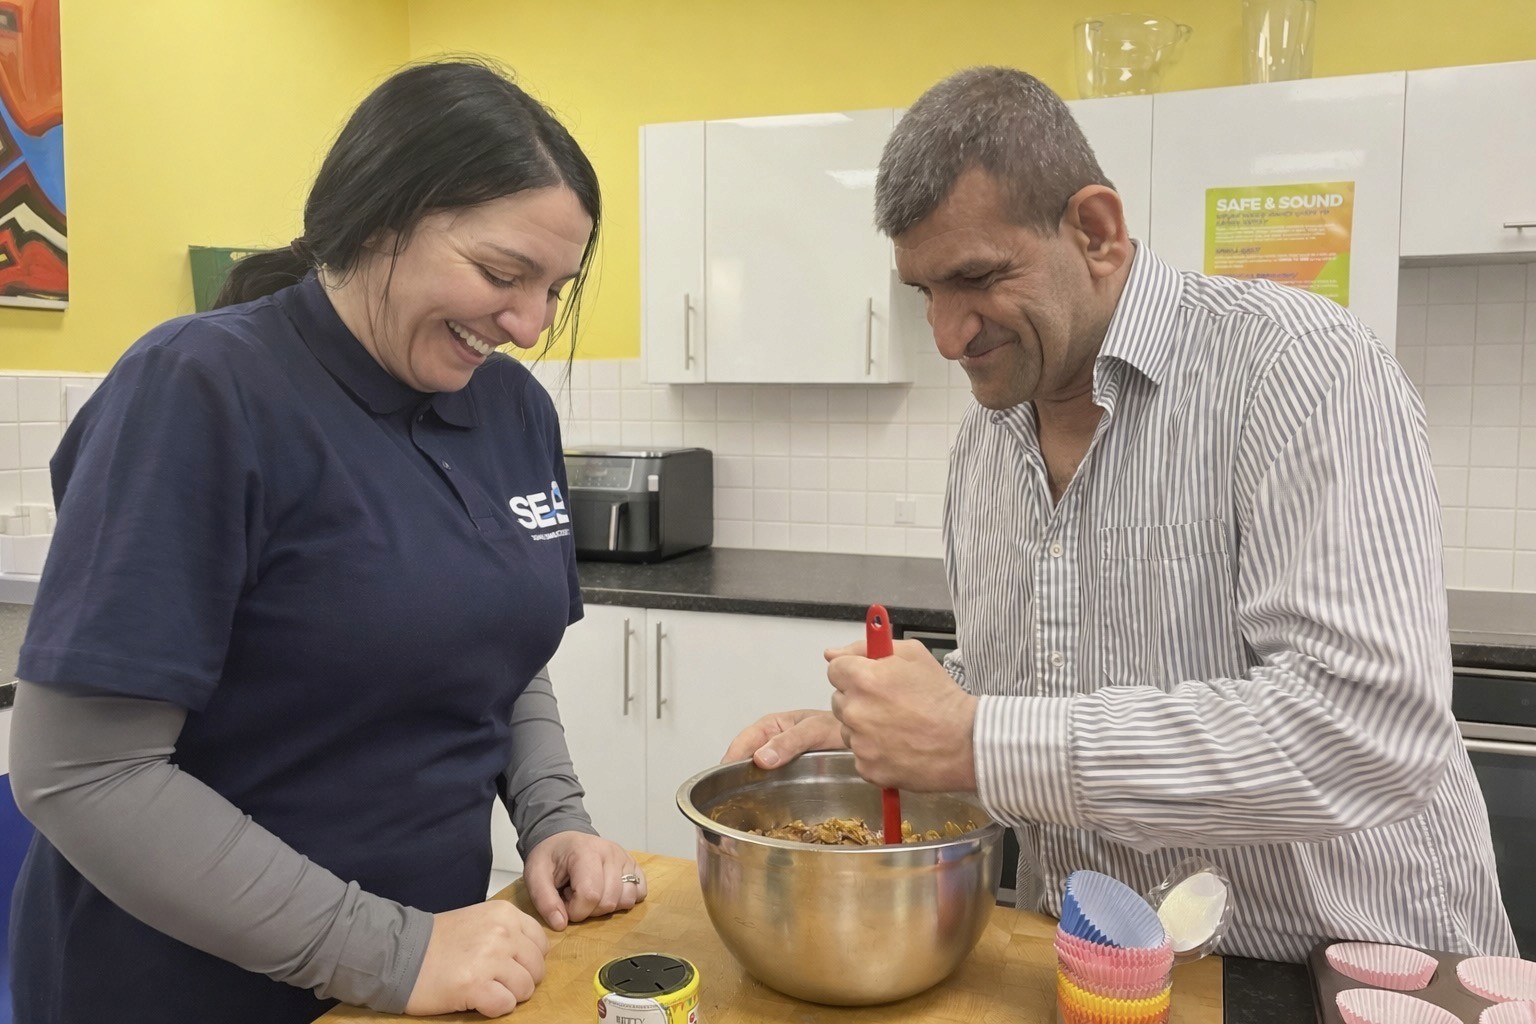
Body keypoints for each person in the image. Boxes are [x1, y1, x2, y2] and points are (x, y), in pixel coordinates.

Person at [726, 66, 1517, 963]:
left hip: (1339, 976)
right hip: (1107, 970)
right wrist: (889, 737)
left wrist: (975, 738)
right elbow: (1025, 683)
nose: (947, 335)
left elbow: (1365, 730)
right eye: (924, 293)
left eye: (976, 278)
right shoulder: (982, 449)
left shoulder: (1299, 370)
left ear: (1096, 232)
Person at [8, 58, 647, 1023]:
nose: (528, 324)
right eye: (501, 274)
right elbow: (86, 771)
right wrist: (392, 950)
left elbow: (497, 653)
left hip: (416, 985)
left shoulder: (510, 409)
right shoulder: (200, 391)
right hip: (188, 991)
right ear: (377, 217)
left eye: (554, 287)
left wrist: (554, 819)